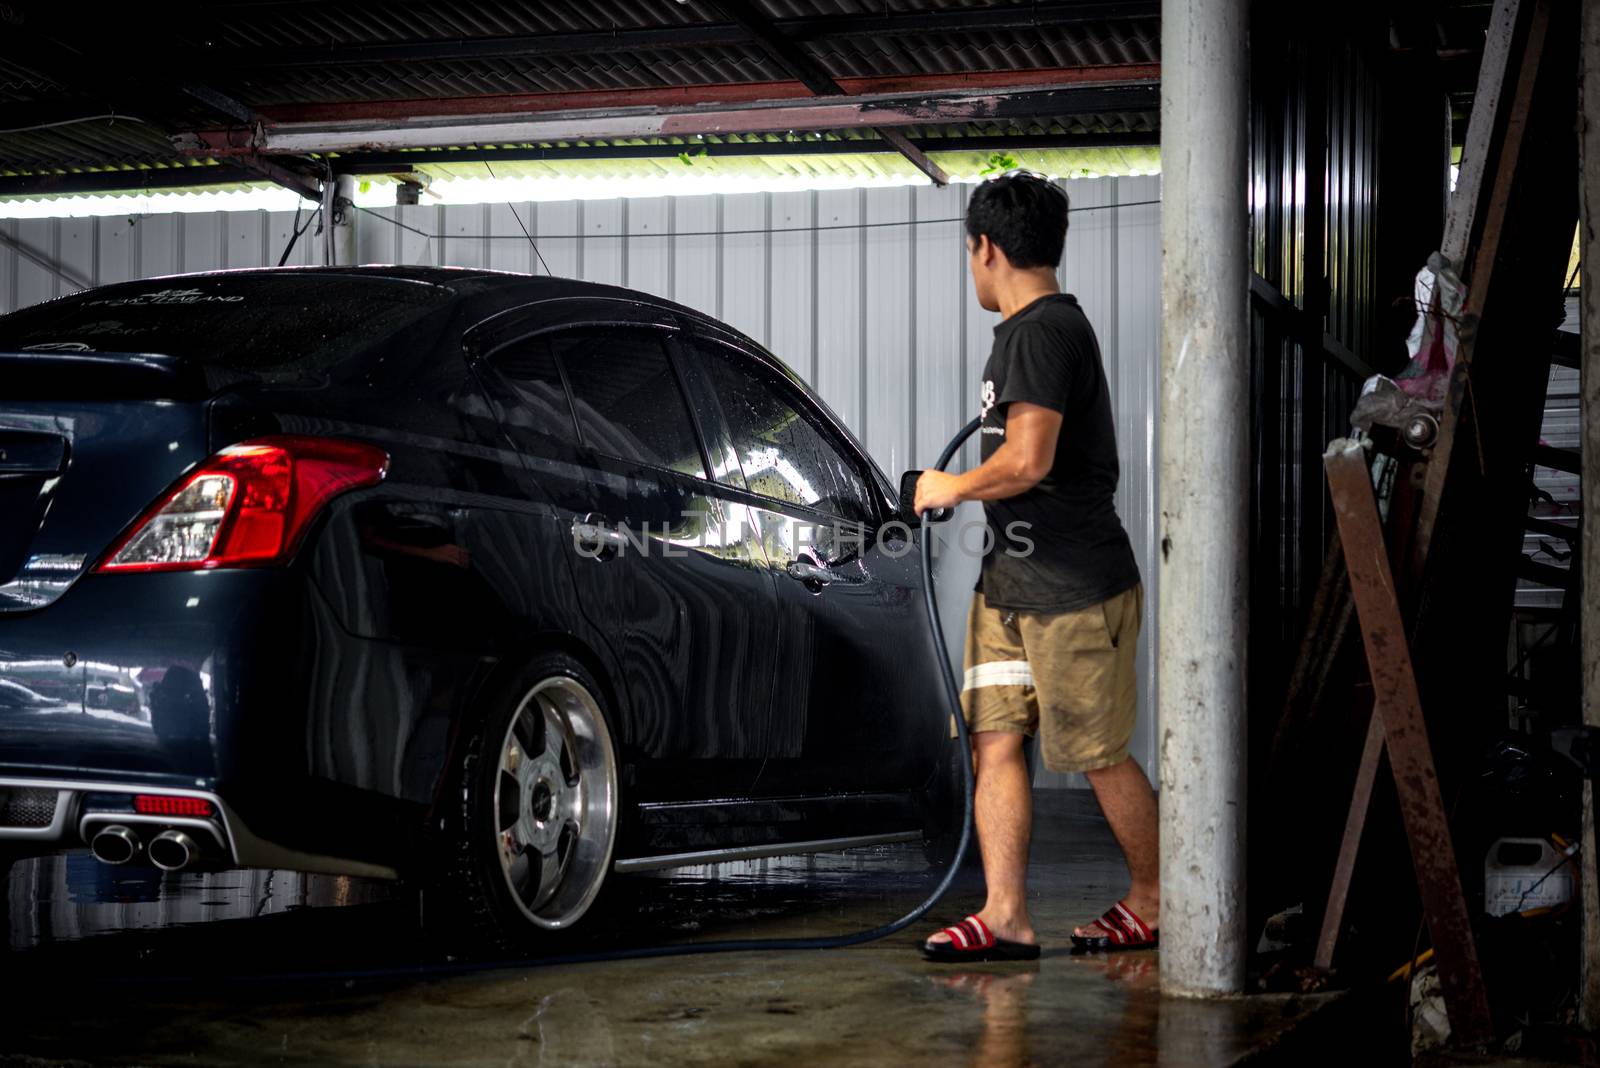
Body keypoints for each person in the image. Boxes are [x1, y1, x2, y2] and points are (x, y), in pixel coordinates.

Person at [916, 172, 1157, 961]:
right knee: (995, 740)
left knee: (1095, 751)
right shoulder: (1029, 332)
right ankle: (1006, 912)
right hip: (1012, 588)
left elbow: (1026, 460)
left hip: (1071, 590)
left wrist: (949, 485)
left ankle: (1158, 900)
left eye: (969, 253)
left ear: (986, 249)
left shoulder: (1041, 333)